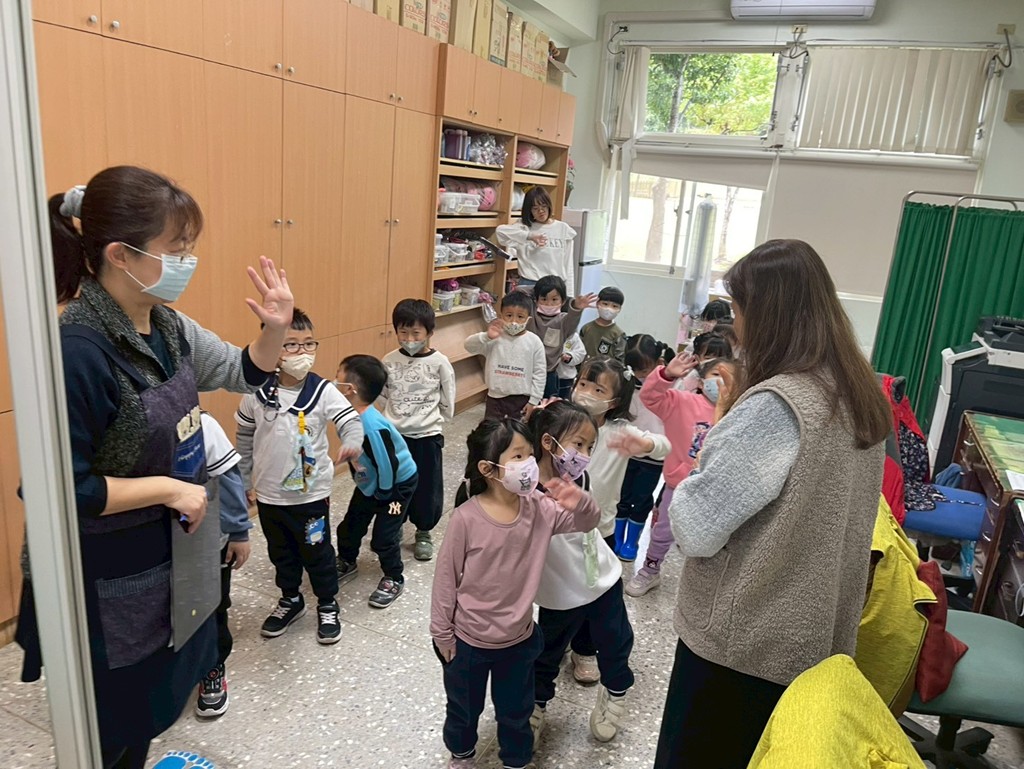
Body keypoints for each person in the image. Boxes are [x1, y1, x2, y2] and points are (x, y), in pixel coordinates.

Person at [21, 165, 293, 768]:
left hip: (170, 542)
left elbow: (242, 370)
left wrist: (274, 329)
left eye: (190, 247)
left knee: (149, 707)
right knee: (112, 723)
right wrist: (171, 488)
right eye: (176, 249)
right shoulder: (77, 351)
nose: (188, 262)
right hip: (107, 568)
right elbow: (61, 488)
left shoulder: (166, 322)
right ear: (121, 254)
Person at [653, 240, 890, 769]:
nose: (735, 327)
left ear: (768, 315)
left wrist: (712, 441)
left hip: (743, 643)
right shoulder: (856, 391)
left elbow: (693, 527)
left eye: (739, 311)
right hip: (812, 632)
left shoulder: (776, 406)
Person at [430, 418, 601, 769]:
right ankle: (461, 754)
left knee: (517, 710)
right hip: (468, 642)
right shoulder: (466, 519)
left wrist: (581, 501)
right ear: (488, 468)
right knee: (463, 708)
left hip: (518, 640)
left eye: (530, 454)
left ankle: (516, 760)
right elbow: (445, 578)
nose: (529, 464)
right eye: (518, 456)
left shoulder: (540, 508)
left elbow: (587, 522)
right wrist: (441, 632)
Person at [236, 308, 363, 645]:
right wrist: (245, 479)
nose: (302, 352)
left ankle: (327, 602)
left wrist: (352, 442)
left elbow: (350, 421)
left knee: (317, 552)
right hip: (269, 496)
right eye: (291, 345)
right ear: (271, 347)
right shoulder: (255, 392)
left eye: (308, 344)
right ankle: (291, 599)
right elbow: (244, 436)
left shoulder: (323, 391)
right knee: (281, 553)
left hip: (311, 496)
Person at [528, 402, 635, 747]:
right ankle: (535, 705)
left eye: (590, 446)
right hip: (557, 590)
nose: (585, 455)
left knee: (615, 641)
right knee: (545, 652)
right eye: (579, 444)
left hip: (600, 577)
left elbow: (590, 523)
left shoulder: (580, 478)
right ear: (548, 442)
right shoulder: (523, 487)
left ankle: (615, 693)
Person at [565, 357, 670, 684]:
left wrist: (646, 443)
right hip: (558, 531)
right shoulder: (561, 422)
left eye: (598, 389)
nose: (586, 392)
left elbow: (665, 446)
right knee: (558, 590)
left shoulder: (619, 431)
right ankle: (556, 641)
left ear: (614, 401)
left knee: (593, 594)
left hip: (599, 534)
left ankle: (584, 649)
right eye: (583, 384)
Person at [626, 356, 727, 597]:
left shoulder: (738, 414)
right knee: (663, 531)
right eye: (716, 375)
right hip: (679, 485)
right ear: (701, 382)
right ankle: (650, 570)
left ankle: (706, 582)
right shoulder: (683, 402)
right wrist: (667, 375)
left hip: (716, 490)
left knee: (713, 539)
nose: (722, 382)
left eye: (729, 378)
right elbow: (650, 398)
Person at [335, 354, 419, 609]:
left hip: (396, 487)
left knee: (384, 536)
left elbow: (387, 463)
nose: (333, 382)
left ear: (350, 389)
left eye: (337, 377)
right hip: (370, 484)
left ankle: (394, 577)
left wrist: (384, 494)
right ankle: (347, 560)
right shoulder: (349, 416)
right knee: (350, 526)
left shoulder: (370, 426)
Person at [381, 299, 455, 562]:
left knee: (427, 487)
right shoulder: (389, 361)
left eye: (416, 333)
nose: (409, 339)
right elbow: (382, 394)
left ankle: (423, 531)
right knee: (394, 485)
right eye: (403, 332)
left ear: (429, 332)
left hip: (427, 436)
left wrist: (434, 420)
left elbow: (448, 396)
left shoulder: (439, 362)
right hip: (396, 437)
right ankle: (395, 523)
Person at [195, 411, 252, 718]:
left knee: (213, 607)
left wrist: (238, 531)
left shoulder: (202, 424)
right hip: (158, 548)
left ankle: (213, 666)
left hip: (207, 544)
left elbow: (229, 478)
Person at [614, 334, 674, 562]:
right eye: (635, 369)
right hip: (627, 453)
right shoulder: (626, 383)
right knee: (621, 496)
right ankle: (617, 538)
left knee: (641, 498)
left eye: (645, 369)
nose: (640, 375)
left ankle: (632, 541)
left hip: (653, 455)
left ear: (658, 363)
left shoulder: (668, 387)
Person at [465, 292, 545, 421]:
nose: (514, 322)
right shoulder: (494, 338)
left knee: (517, 431)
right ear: (501, 316)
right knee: (492, 431)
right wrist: (486, 336)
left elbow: (540, 373)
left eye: (520, 317)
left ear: (528, 319)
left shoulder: (534, 342)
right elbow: (468, 346)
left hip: (521, 399)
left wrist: (534, 401)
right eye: (509, 315)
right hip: (495, 398)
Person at [495, 187, 577, 296]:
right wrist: (529, 236)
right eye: (535, 208)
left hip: (555, 286)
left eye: (544, 206)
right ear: (529, 210)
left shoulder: (563, 229)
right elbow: (500, 232)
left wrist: (569, 296)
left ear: (549, 205)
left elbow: (568, 266)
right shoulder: (523, 227)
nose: (541, 211)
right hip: (529, 285)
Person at [525, 274, 596, 398]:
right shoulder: (531, 315)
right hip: (528, 369)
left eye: (554, 299)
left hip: (549, 372)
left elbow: (573, 319)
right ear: (536, 300)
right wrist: (539, 288)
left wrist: (576, 306)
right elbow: (519, 290)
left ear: (563, 301)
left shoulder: (563, 321)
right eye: (544, 299)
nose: (549, 303)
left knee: (548, 403)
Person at [579, 287, 626, 361]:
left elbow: (619, 361)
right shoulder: (586, 328)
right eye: (605, 304)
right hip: (585, 367)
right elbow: (578, 351)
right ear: (597, 304)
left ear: (619, 309)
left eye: (614, 306)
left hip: (606, 368)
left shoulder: (619, 334)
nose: (609, 309)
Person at [555, 332, 586, 400]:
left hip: (565, 379)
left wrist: (570, 357)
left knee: (563, 403)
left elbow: (581, 353)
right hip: (546, 376)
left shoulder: (573, 336)